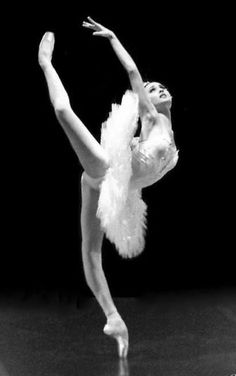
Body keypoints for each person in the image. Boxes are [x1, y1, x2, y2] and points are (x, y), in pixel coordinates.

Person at [38, 16, 178, 358]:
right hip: (105, 171)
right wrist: (114, 38)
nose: (156, 89)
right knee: (61, 109)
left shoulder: (164, 132)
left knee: (91, 251)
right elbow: (133, 73)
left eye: (160, 87)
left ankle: (114, 318)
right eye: (152, 88)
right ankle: (44, 63)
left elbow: (145, 172)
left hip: (111, 185)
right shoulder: (152, 118)